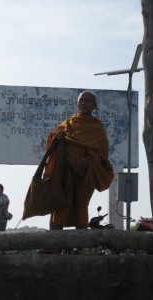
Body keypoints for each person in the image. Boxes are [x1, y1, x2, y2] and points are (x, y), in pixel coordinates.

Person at [44, 90, 114, 232]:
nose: (84, 103)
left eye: (88, 100)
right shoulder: (66, 125)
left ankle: (79, 247)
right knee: (58, 208)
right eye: (81, 100)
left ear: (94, 105)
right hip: (64, 174)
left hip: (84, 176)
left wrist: (89, 162)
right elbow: (52, 147)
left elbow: (102, 156)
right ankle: (53, 246)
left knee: (81, 208)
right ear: (77, 104)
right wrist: (57, 138)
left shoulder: (97, 129)